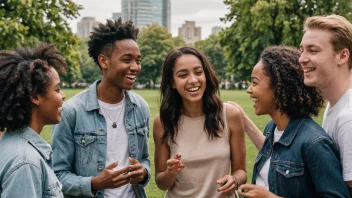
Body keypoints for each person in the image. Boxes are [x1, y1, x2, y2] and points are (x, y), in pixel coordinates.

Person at [229, 46, 350, 197]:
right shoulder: (272, 128)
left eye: (255, 82)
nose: (249, 89)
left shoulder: (314, 143)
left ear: (279, 87)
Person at [51, 18, 150, 198]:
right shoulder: (72, 111)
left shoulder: (141, 107)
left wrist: (143, 173)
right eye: (127, 60)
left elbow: (144, 159)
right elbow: (57, 175)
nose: (135, 67)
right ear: (104, 61)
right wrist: (95, 183)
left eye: (138, 60)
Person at [153, 46, 247, 198]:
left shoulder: (229, 115)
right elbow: (161, 182)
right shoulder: (162, 122)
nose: (193, 80)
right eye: (183, 75)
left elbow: (241, 171)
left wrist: (234, 180)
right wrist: (169, 173)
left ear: (206, 75)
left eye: (198, 72)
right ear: (172, 83)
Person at [0, 43, 66, 197]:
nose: (63, 95)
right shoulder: (26, 162)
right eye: (57, 89)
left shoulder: (10, 143)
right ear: (35, 97)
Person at [299, 14, 352, 193]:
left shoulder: (348, 118)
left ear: (342, 55)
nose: (302, 59)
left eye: (313, 51)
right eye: (302, 50)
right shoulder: (335, 104)